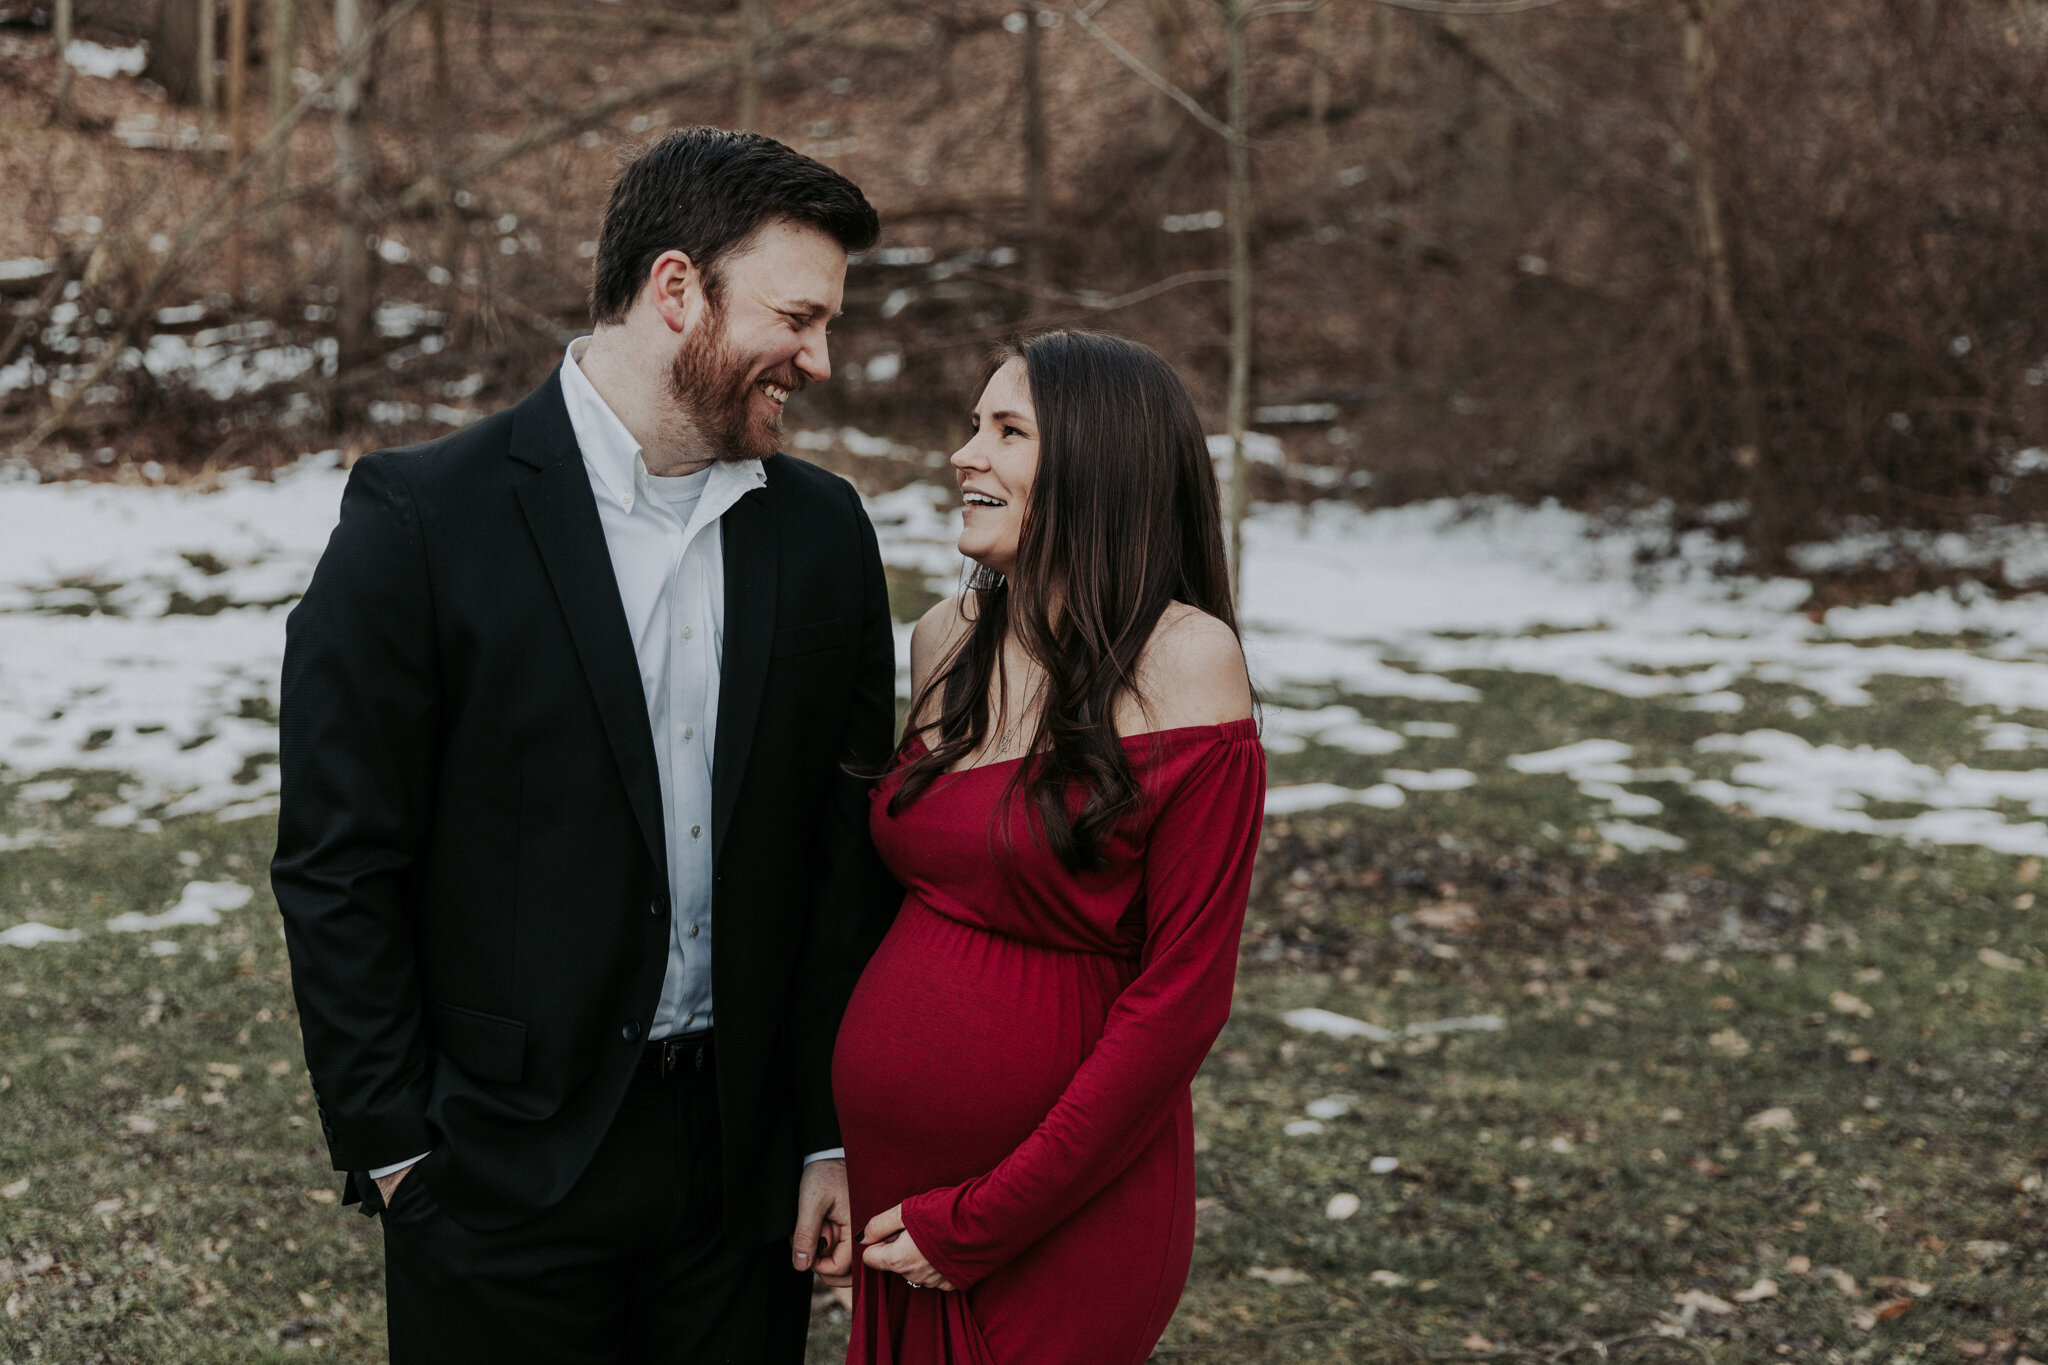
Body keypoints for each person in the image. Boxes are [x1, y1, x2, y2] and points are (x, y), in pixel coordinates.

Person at [271, 127, 900, 1364]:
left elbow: (841, 859)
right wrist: (399, 1153)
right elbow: (339, 861)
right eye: (797, 316)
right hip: (495, 1177)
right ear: (677, 291)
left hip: (737, 1184)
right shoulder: (419, 521)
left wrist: (826, 1135)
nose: (820, 361)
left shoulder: (822, 534)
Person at [831, 330, 1266, 1364]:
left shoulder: (1186, 661)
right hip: (897, 1196)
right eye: (971, 426)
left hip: (1065, 1208)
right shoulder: (944, 641)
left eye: (1005, 431)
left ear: (1094, 463)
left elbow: (1183, 997)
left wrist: (983, 1219)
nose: (962, 455)